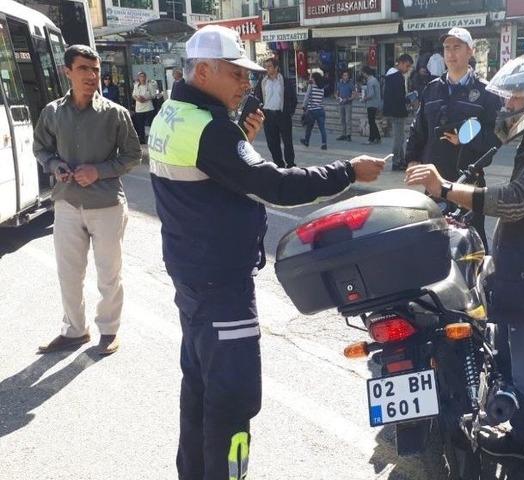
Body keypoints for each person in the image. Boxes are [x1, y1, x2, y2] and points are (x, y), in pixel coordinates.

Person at [147, 25, 385, 480]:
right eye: (236, 74)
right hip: (222, 287)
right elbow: (276, 186)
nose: (246, 84)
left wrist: (239, 140)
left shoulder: (172, 114)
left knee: (199, 391)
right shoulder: (212, 130)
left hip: (191, 277)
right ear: (203, 71)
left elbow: (209, 174)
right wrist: (349, 170)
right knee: (233, 402)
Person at [406, 51, 524, 480]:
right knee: (510, 363)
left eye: (517, 98)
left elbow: (515, 201)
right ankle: (521, 435)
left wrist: (445, 188)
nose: (508, 105)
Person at [33, 45, 141, 356]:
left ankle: (108, 330)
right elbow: (41, 148)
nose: (92, 75)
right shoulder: (52, 112)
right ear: (67, 71)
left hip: (106, 205)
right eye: (83, 69)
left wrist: (98, 171)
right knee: (69, 273)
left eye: (95, 69)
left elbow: (132, 156)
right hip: (67, 203)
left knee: (109, 274)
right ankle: (74, 331)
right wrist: (55, 165)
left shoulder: (115, 113)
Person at [405, 27, 501, 246]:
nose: (450, 53)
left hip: (468, 184)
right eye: (447, 48)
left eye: (457, 47)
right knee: (432, 243)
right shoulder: (431, 89)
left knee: (472, 245)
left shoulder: (486, 92)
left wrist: (467, 140)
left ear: (470, 51)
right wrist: (412, 159)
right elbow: (418, 129)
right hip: (433, 182)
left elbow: (496, 139)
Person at [256, 57, 298, 167]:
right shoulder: (262, 81)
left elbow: (293, 98)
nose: (267, 69)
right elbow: (257, 97)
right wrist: (260, 110)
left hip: (282, 115)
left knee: (287, 142)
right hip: (268, 115)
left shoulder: (285, 81)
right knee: (272, 143)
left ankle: (290, 164)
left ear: (276, 68)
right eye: (266, 66)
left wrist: (289, 112)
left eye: (269, 66)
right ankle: (279, 164)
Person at [383, 54, 414, 171]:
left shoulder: (390, 75)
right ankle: (396, 161)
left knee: (400, 137)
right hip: (398, 110)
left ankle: (400, 160)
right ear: (400, 63)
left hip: (392, 110)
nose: (407, 69)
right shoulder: (397, 77)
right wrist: (409, 100)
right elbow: (399, 96)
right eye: (407, 66)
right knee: (398, 138)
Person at [300, 71, 327, 150]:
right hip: (321, 110)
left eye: (312, 78)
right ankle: (324, 143)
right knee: (322, 128)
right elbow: (321, 99)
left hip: (312, 110)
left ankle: (306, 141)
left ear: (314, 79)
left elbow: (307, 96)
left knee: (309, 127)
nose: (311, 79)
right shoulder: (322, 88)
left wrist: (303, 106)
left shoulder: (311, 86)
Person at [132, 71, 158, 144]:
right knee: (140, 125)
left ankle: (153, 138)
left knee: (151, 124)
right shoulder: (136, 85)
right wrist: (138, 99)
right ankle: (142, 139)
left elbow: (153, 95)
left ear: (146, 77)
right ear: (138, 78)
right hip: (139, 109)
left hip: (148, 108)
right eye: (141, 77)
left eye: (143, 76)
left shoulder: (149, 85)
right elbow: (133, 95)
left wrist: (145, 99)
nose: (142, 78)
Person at [361, 66, 382, 145]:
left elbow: (371, 94)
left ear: (365, 73)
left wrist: (364, 99)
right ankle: (377, 137)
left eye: (363, 73)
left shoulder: (370, 81)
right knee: (372, 121)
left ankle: (371, 139)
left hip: (371, 104)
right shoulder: (375, 80)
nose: (363, 75)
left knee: (371, 122)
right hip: (376, 103)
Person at [336, 70, 356, 141]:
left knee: (348, 120)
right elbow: (337, 93)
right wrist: (337, 97)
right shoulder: (339, 84)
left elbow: (354, 95)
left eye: (347, 75)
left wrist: (348, 99)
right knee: (342, 119)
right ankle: (343, 134)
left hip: (348, 104)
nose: (346, 77)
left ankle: (348, 135)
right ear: (342, 76)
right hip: (341, 104)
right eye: (344, 75)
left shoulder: (350, 84)